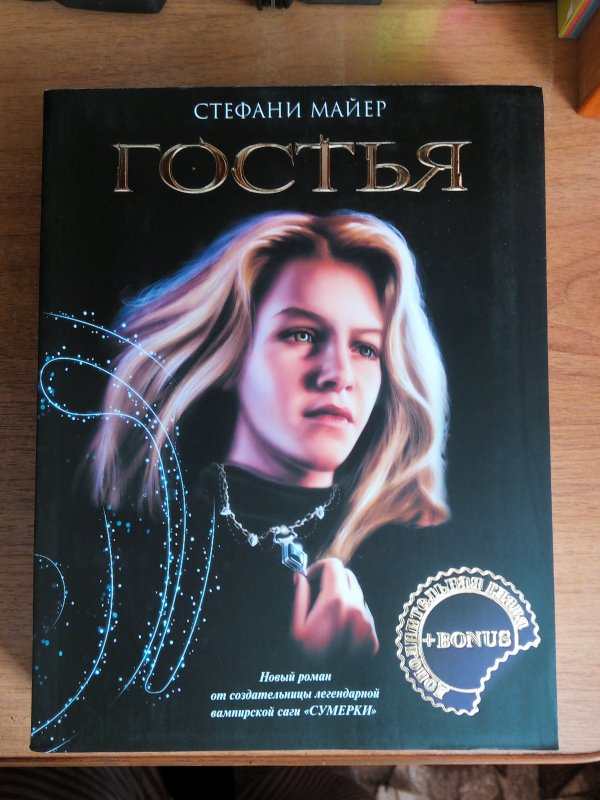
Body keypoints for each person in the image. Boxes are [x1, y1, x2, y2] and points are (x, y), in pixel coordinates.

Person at [86, 211, 448, 748]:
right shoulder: (137, 544)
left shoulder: (418, 559)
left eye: (365, 348)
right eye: (302, 334)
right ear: (234, 353)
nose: (338, 374)